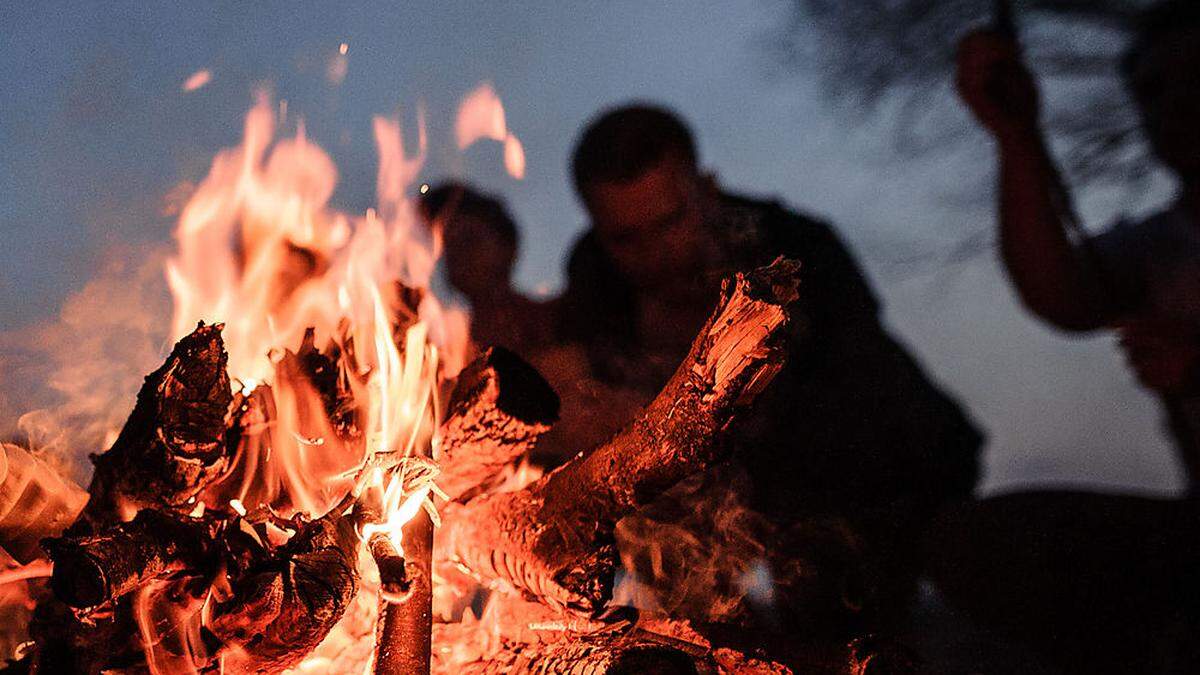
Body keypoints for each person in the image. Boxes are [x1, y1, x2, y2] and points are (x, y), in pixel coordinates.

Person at [553, 104, 983, 640]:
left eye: (670, 222)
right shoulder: (595, 273)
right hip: (713, 513)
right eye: (626, 239)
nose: (655, 253)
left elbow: (858, 399)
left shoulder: (796, 248)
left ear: (706, 191)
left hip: (887, 480)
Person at [941, 2, 1200, 671]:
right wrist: (1016, 137)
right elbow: (1059, 293)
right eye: (1154, 91)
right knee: (979, 545)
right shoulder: (1167, 245)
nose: (1177, 106)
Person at [418, 182, 556, 355]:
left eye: (469, 240)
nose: (458, 254)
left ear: (506, 246)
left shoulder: (553, 324)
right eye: (448, 245)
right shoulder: (446, 346)